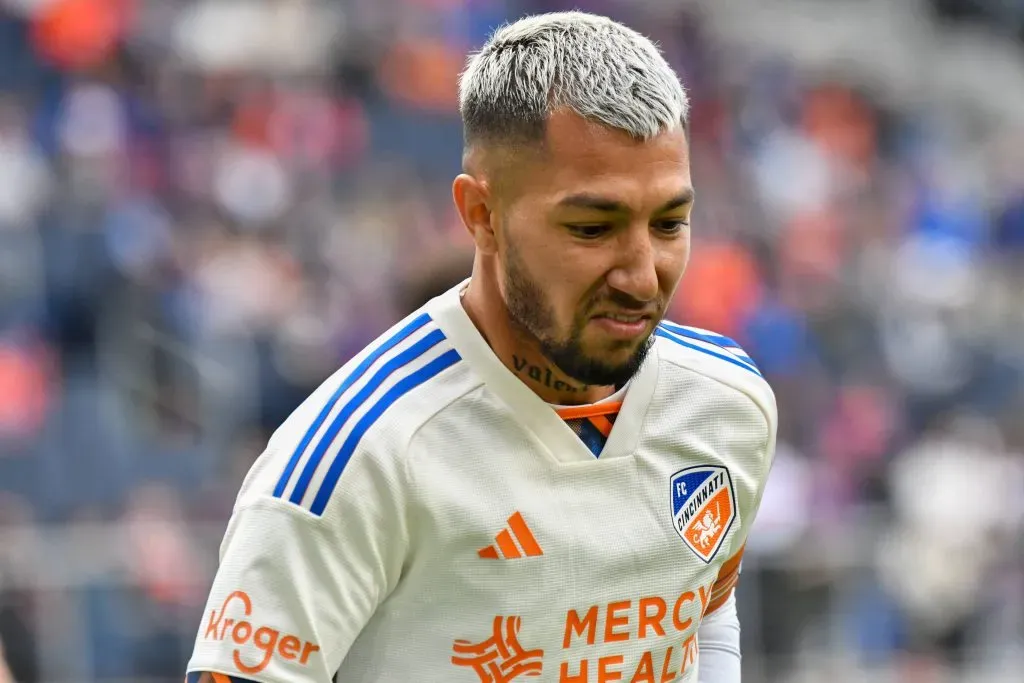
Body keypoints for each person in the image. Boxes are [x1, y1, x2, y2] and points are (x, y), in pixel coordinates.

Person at [186, 11, 776, 683]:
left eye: (670, 222)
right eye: (592, 227)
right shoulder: (359, 457)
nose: (643, 273)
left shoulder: (728, 403)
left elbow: (704, 608)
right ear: (481, 215)